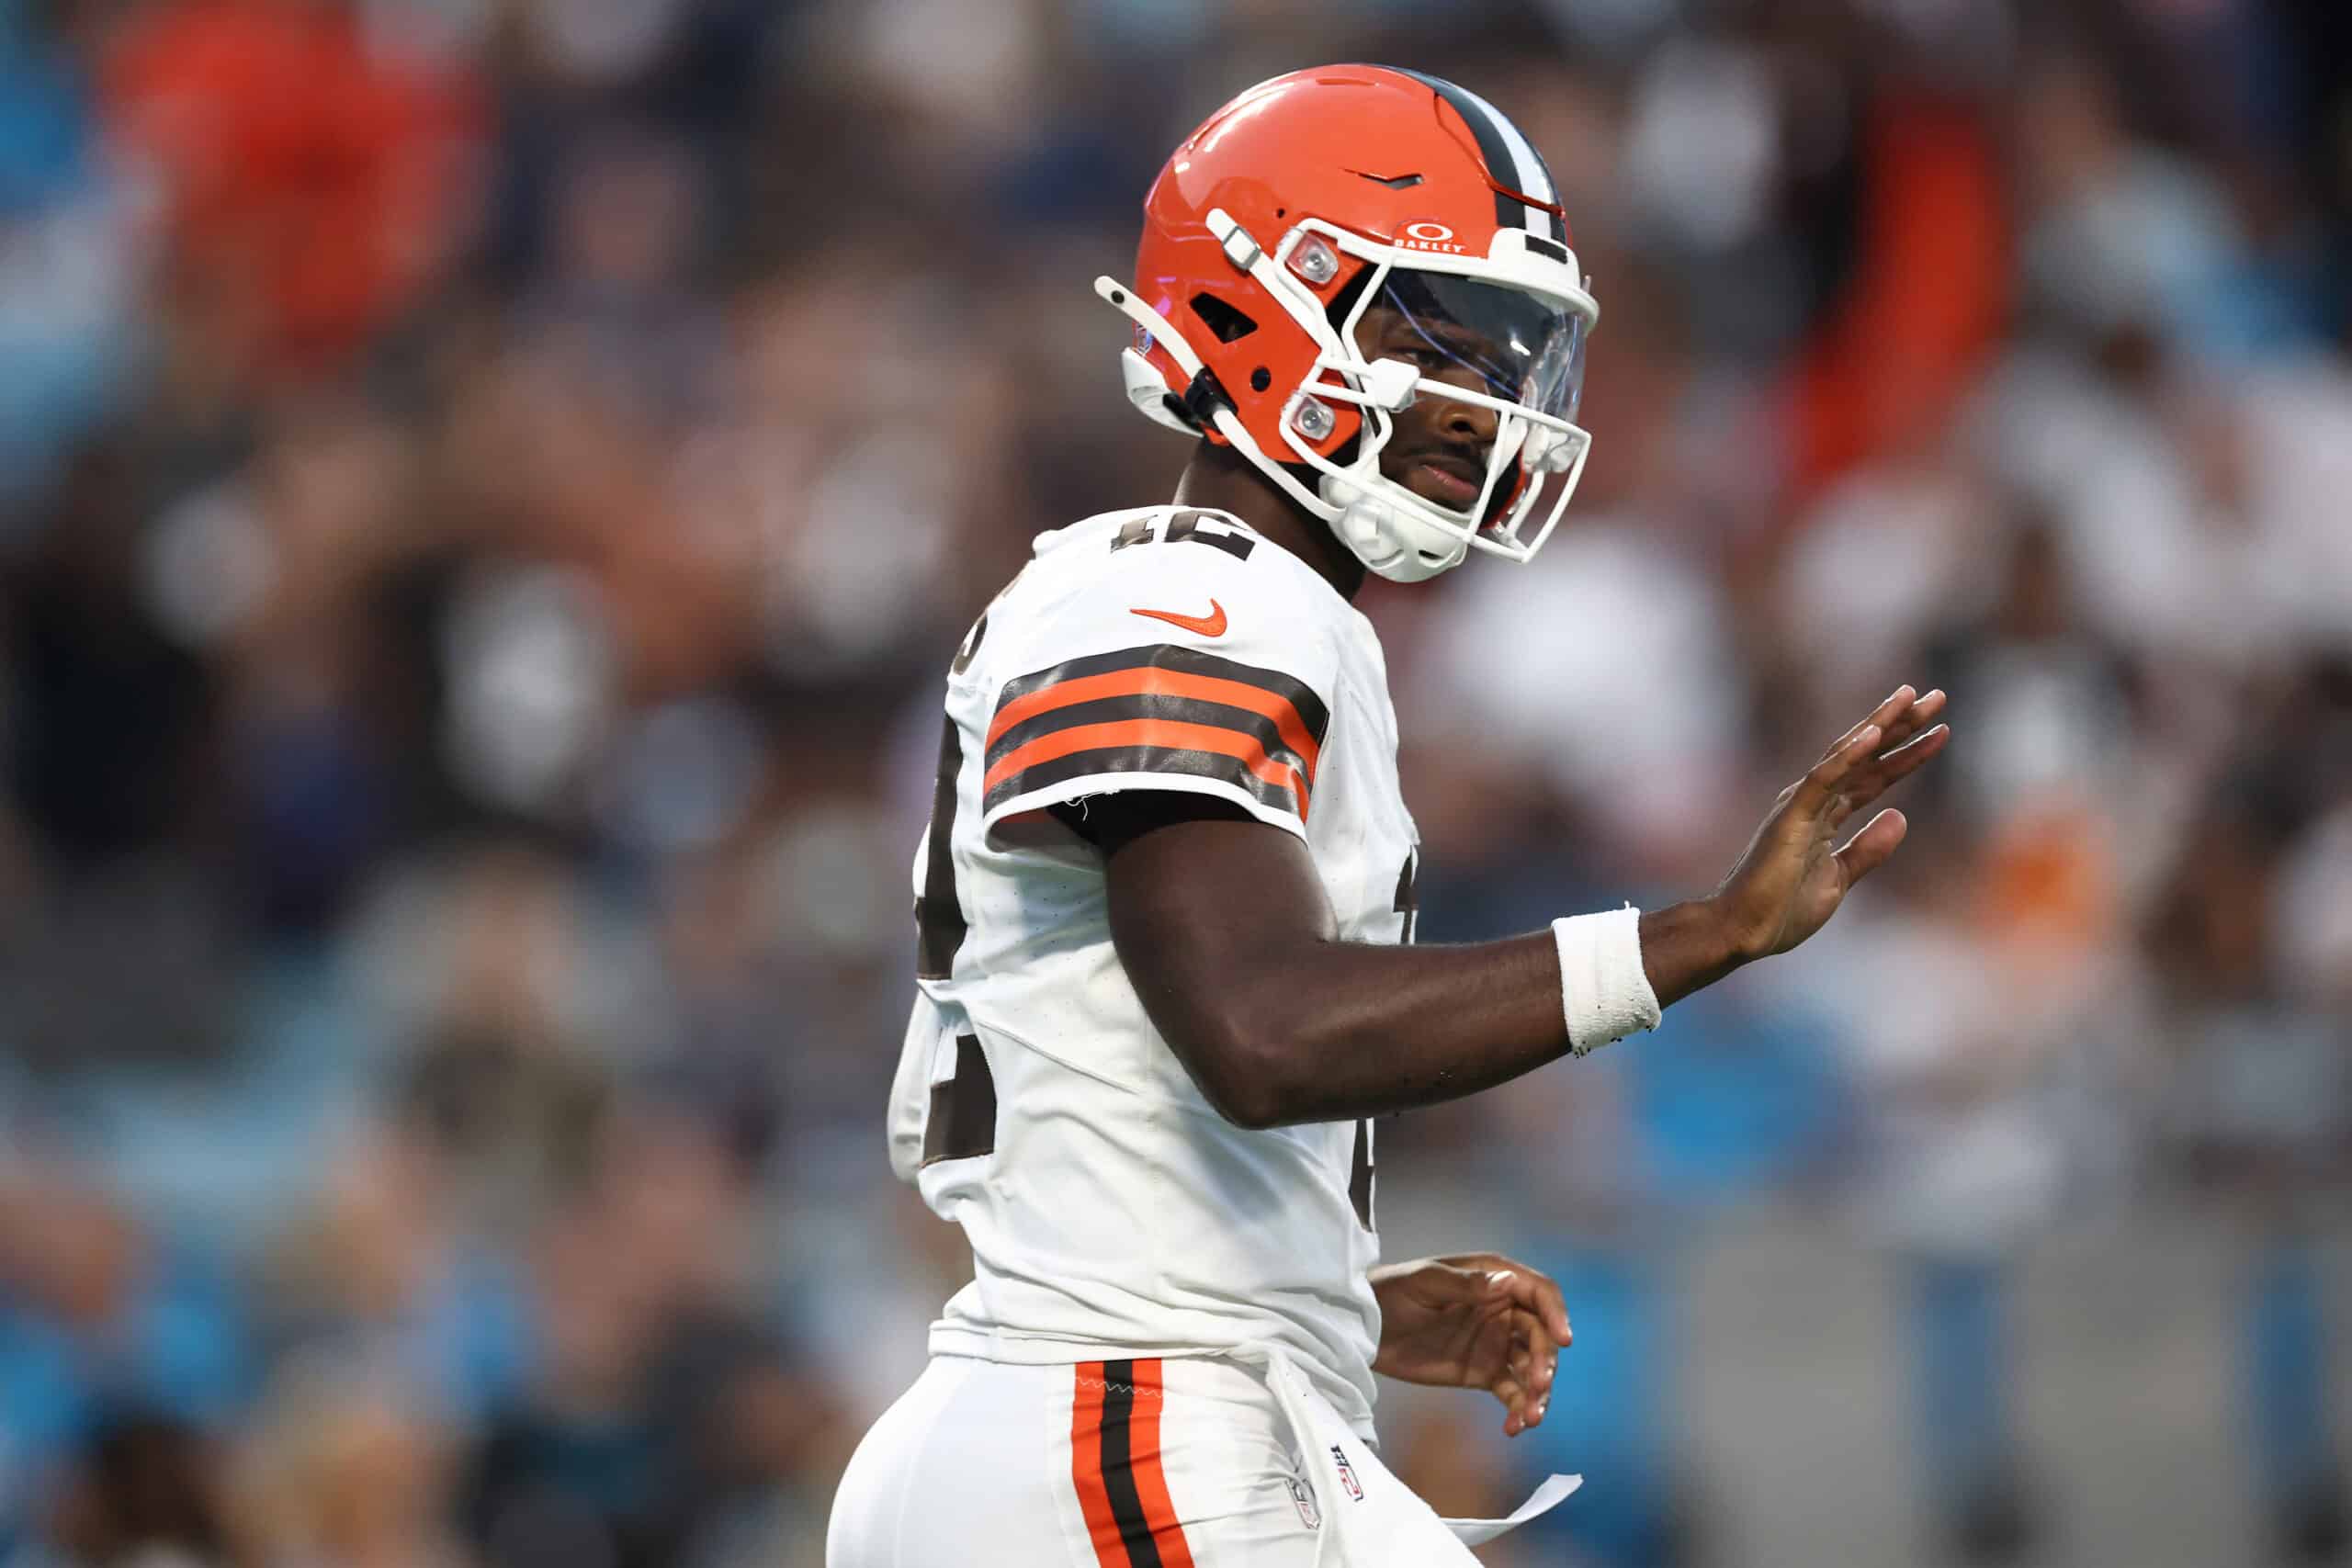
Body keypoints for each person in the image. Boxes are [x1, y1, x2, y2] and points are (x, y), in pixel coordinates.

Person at [828, 65, 1951, 1568]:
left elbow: (1122, 1068)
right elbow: (1262, 1029)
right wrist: (1704, 936)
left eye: (1507, 358)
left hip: (1108, 1410)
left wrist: (1332, 1290)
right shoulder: (1192, 598)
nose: (1483, 406)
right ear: (1260, 308)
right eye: (1438, 339)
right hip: (1123, 1432)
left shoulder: (1234, 601)